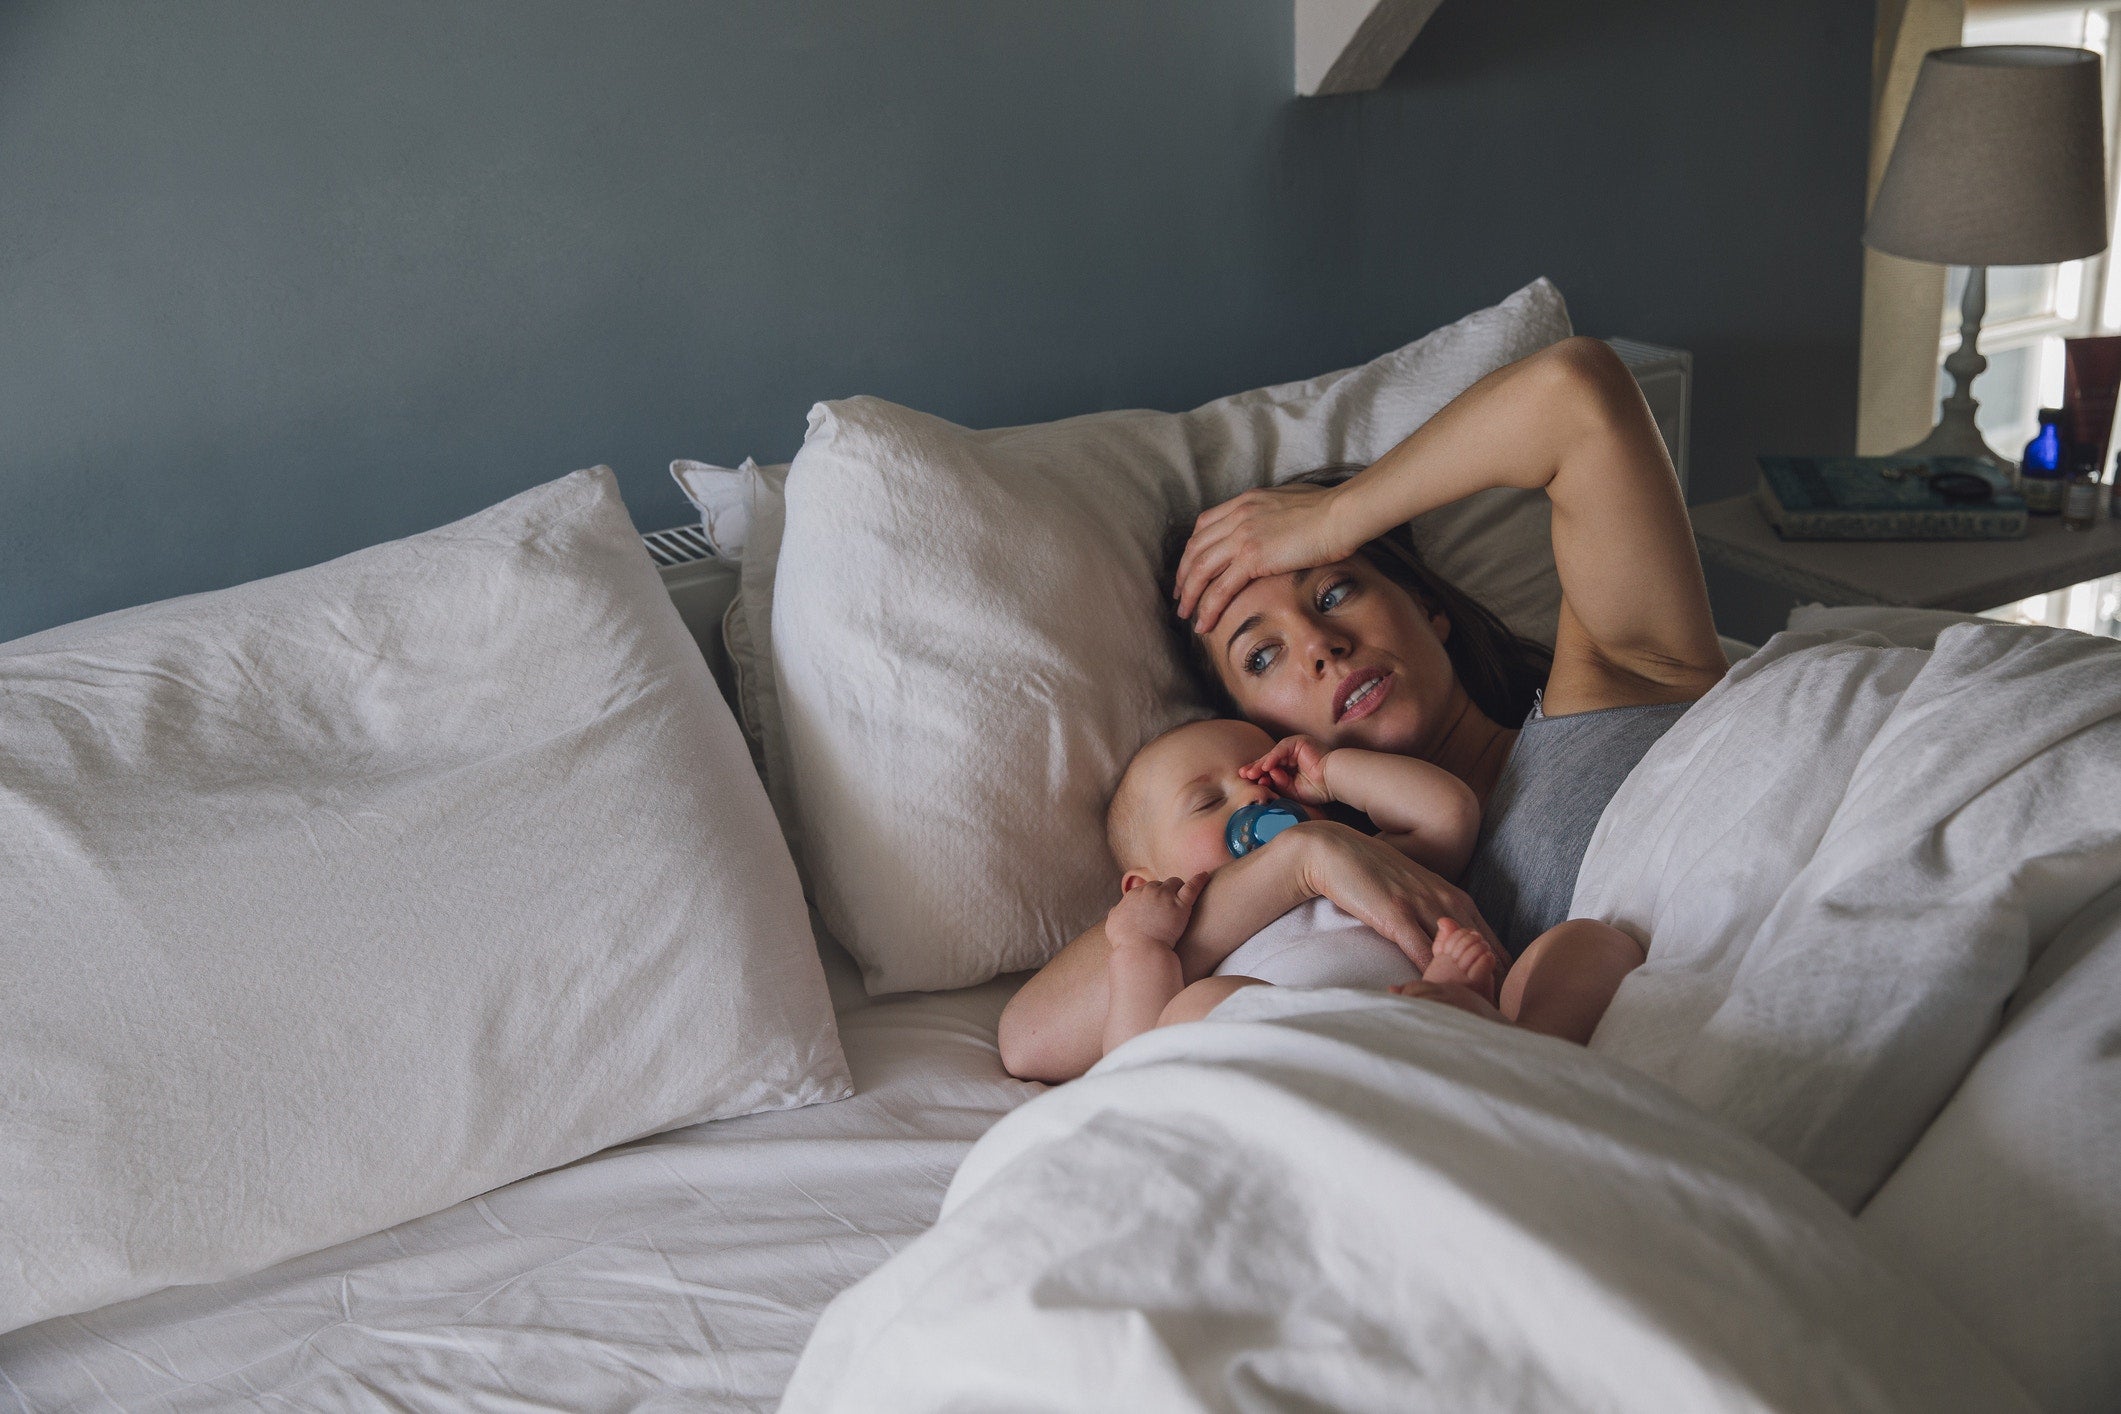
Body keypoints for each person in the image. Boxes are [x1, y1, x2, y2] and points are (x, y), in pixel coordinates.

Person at [999, 336, 1726, 1082]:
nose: (1318, 643)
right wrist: (1304, 860)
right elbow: (1031, 1035)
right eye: (1261, 655)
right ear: (1254, 733)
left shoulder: (1619, 674)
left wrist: (1335, 518)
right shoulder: (1342, 900)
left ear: (1428, 606)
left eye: (1335, 589)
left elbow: (1578, 392)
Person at [1099, 718, 1645, 1057]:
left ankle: (1526, 1050)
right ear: (1140, 885)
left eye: (1263, 778)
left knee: (1588, 943)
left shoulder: (1368, 863)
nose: (1253, 801)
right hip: (1312, 1072)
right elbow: (1132, 1067)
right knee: (1197, 1011)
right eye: (1207, 802)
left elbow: (1447, 813)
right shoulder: (1186, 948)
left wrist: (1331, 772)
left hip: (1458, 1044)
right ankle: (1426, 1030)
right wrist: (1138, 944)